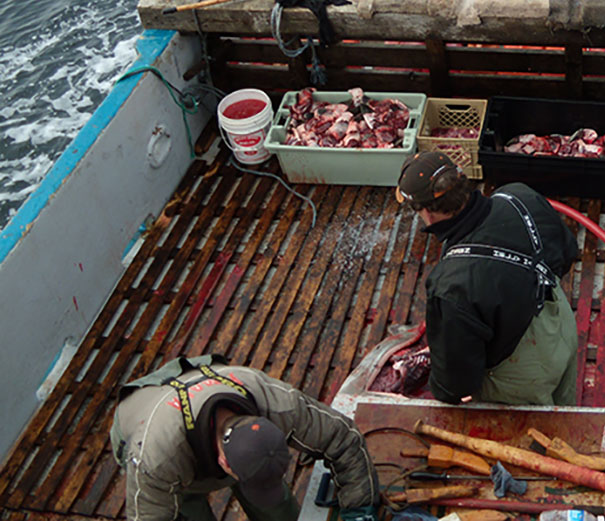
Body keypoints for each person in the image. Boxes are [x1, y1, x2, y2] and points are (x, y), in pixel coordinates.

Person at [395, 151, 579, 406]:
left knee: (535, 432)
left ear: (426, 212)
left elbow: (456, 383)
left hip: (526, 370)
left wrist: (436, 387)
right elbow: (568, 252)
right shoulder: (518, 195)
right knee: (566, 411)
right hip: (562, 324)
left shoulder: (450, 284)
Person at [109, 355, 379, 521]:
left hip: (203, 381)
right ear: (225, 465)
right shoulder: (156, 458)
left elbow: (344, 438)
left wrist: (359, 510)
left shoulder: (276, 403)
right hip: (142, 419)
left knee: (278, 509)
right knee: (189, 510)